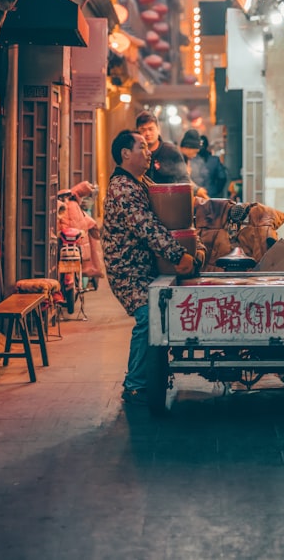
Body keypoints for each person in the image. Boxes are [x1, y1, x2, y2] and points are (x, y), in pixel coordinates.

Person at [102, 130, 205, 405]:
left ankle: (154, 372)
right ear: (125, 153)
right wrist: (177, 255)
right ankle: (135, 383)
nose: (149, 152)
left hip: (146, 266)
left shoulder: (140, 182)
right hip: (128, 271)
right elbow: (148, 227)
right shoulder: (122, 188)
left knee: (159, 314)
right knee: (148, 317)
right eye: (142, 147)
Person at [136, 111, 190, 183]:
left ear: (158, 129)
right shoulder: (135, 153)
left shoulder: (171, 151)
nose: (147, 133)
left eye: (150, 129)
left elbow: (184, 178)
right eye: (143, 130)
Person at [180, 132, 227, 198]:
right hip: (204, 195)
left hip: (199, 195)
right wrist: (215, 190)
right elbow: (222, 177)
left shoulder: (190, 158)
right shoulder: (188, 158)